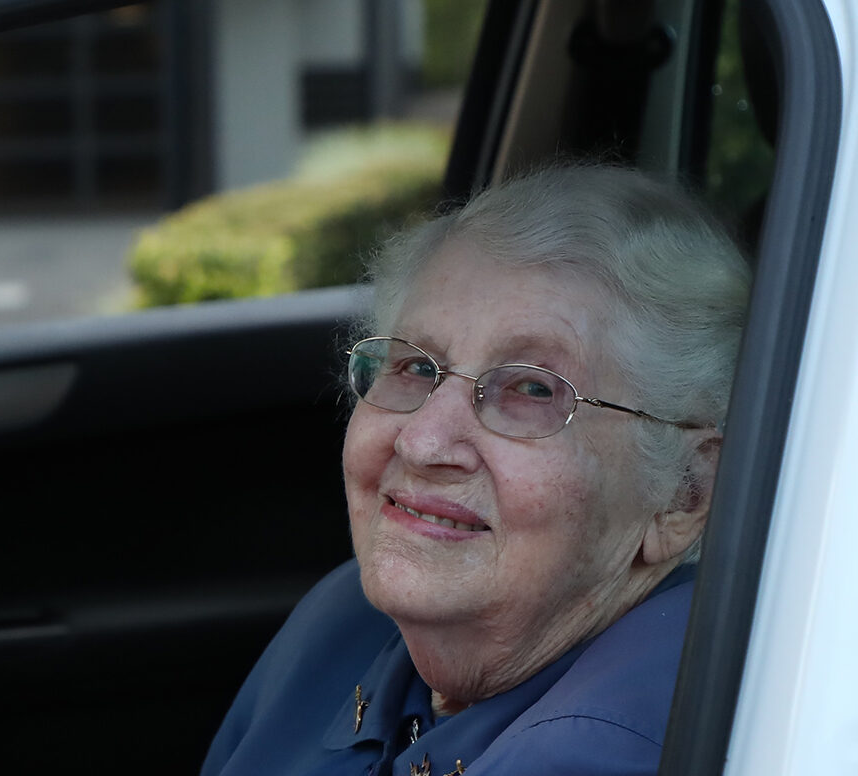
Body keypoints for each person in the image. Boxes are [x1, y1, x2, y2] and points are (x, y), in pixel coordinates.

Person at [201, 163, 751, 776]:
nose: (422, 441)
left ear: (684, 493)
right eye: (415, 367)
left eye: (533, 390)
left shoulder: (603, 753)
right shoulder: (343, 620)